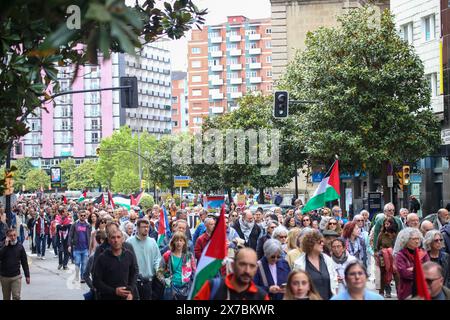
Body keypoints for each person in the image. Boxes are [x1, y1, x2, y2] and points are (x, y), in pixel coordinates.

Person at [194, 247, 269, 300]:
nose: (247, 271)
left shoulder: (261, 296)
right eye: (242, 264)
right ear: (233, 265)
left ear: (256, 269)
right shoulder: (212, 287)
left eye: (252, 266)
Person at [93, 226, 138, 300]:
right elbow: (96, 281)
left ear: (122, 239)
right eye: (113, 238)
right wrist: (114, 291)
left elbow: (134, 274)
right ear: (109, 240)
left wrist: (130, 291)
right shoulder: (102, 258)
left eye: (118, 237)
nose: (116, 240)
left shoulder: (129, 255)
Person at [293, 230, 338, 300]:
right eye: (320, 242)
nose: (323, 244)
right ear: (311, 244)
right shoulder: (299, 264)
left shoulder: (328, 260)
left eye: (323, 241)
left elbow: (335, 284)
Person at [126, 219, 161, 300]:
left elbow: (157, 259)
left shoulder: (152, 241)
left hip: (149, 281)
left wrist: (159, 271)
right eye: (143, 227)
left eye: (147, 227)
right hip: (134, 282)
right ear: (137, 228)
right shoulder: (129, 242)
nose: (146, 229)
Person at [394, 227, 430, 300]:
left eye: (418, 238)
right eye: (414, 239)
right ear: (406, 240)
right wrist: (419, 270)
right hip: (406, 291)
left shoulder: (423, 253)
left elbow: (428, 270)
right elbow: (404, 273)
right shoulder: (400, 255)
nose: (417, 241)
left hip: (422, 289)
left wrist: (413, 269)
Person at [158, 232, 196, 300]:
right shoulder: (167, 255)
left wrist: (192, 284)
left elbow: (194, 272)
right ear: (173, 242)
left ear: (184, 242)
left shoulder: (189, 256)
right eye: (176, 240)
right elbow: (159, 272)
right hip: (171, 289)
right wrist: (165, 281)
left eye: (181, 240)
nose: (179, 243)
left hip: (186, 289)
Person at [0, 228, 30, 300]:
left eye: (14, 235)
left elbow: (24, 262)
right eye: (11, 236)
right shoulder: (2, 245)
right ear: (7, 236)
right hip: (4, 277)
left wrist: (27, 275)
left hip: (16, 276)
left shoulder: (20, 247)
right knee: (6, 298)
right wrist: (5, 246)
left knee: (16, 297)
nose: (13, 237)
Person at [375, 216, 399, 298]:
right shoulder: (381, 234)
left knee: (396, 273)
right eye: (385, 224)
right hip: (383, 257)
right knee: (383, 274)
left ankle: (399, 292)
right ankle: (384, 291)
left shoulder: (397, 234)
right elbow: (377, 246)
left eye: (388, 224)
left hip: (395, 257)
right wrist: (382, 253)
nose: (386, 225)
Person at [82, 230, 107, 300]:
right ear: (102, 240)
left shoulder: (111, 254)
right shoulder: (93, 257)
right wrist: (94, 288)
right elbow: (85, 275)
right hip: (99, 293)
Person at [68, 210, 91, 283]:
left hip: (85, 248)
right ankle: (77, 276)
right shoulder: (74, 224)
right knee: (77, 263)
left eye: (84, 215)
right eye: (81, 215)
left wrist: (90, 246)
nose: (83, 217)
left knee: (84, 264)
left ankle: (82, 277)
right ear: (78, 216)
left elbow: (89, 236)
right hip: (76, 247)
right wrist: (69, 245)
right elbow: (70, 235)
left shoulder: (88, 225)